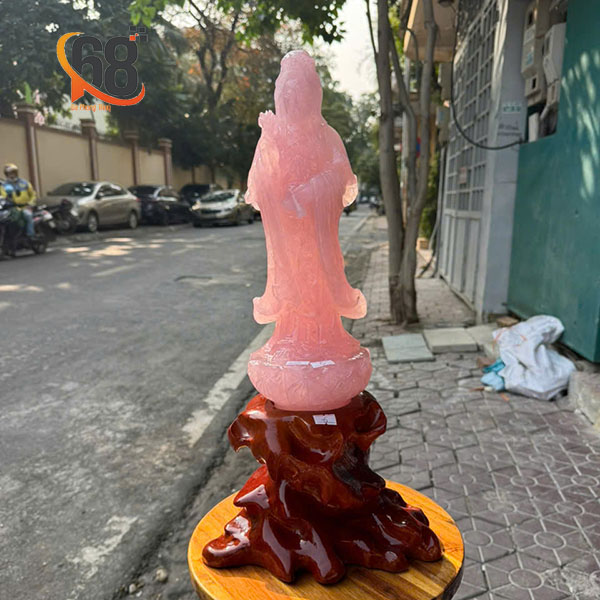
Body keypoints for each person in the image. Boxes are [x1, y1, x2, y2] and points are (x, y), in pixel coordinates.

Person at [0, 163, 37, 237]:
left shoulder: (25, 183)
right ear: (6, 175)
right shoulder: (4, 186)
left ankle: (30, 235)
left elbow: (33, 195)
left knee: (28, 215)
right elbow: (3, 197)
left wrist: (30, 204)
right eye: (9, 173)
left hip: (25, 207)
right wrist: (7, 199)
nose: (12, 175)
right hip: (12, 209)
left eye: (13, 173)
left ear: (16, 173)